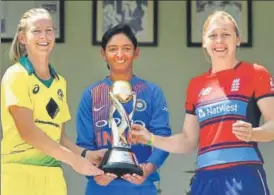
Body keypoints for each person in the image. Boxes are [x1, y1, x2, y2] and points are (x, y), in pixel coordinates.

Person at [131, 10, 274, 195]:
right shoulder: (196, 85)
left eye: (226, 34)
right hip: (204, 179)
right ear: (204, 43)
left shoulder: (256, 73)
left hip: (244, 175)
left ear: (238, 39)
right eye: (213, 35)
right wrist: (150, 138)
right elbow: (188, 141)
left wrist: (253, 133)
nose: (219, 41)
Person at [1, 8, 103, 195]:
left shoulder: (59, 82)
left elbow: (59, 137)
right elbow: (28, 132)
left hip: (53, 177)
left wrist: (85, 155)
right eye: (36, 31)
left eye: (49, 30)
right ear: (23, 38)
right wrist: (73, 161)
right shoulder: (15, 75)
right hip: (18, 174)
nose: (44, 36)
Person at [76, 23, 171, 195]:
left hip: (142, 187)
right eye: (113, 49)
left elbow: (162, 140)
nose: (120, 55)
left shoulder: (152, 92)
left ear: (136, 52)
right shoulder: (91, 95)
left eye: (126, 48)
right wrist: (94, 174)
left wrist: (147, 169)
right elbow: (83, 145)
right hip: (100, 188)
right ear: (103, 53)